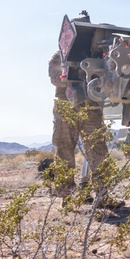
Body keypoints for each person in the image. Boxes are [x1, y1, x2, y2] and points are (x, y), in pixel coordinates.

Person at [48, 50, 109, 195]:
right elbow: (56, 78)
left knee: (98, 149)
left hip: (91, 106)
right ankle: (66, 197)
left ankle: (103, 196)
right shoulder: (60, 56)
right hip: (66, 105)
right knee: (64, 150)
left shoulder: (97, 55)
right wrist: (82, 74)